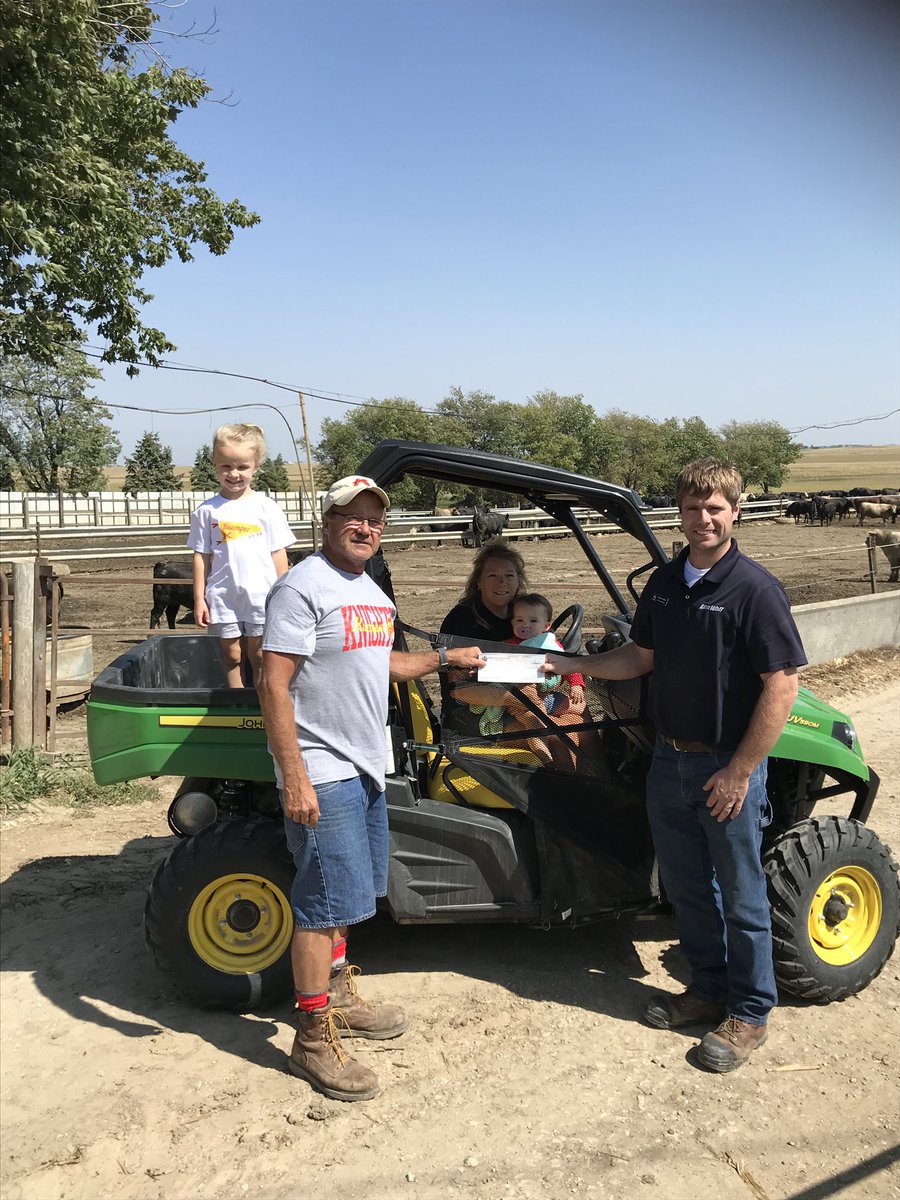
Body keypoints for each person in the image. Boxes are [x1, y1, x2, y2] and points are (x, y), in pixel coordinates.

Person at [545, 458, 806, 1072]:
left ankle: (750, 1012)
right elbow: (640, 658)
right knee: (687, 888)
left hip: (725, 767)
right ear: (680, 514)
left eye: (715, 508)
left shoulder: (755, 589)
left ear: (735, 511)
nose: (704, 518)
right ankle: (708, 989)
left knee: (741, 893)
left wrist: (741, 770)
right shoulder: (665, 583)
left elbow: (782, 685)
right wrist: (571, 665)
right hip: (669, 761)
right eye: (693, 508)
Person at [257, 475, 485, 1102]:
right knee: (321, 904)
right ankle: (311, 1037)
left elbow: (378, 663)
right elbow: (272, 683)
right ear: (326, 523)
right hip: (321, 767)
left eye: (374, 520)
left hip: (366, 762)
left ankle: (337, 994)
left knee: (349, 896)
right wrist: (295, 775)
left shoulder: (369, 592)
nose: (365, 528)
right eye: (352, 518)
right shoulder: (301, 587)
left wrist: (444, 659)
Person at [188, 423, 295, 687]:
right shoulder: (206, 511)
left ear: (256, 466)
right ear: (214, 463)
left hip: (262, 597)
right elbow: (201, 557)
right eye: (226, 466)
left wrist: (283, 595)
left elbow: (278, 554)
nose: (234, 474)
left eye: (242, 467)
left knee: (260, 656)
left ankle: (261, 703)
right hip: (224, 597)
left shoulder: (267, 508)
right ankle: (236, 701)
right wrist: (199, 599)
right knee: (231, 655)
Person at [440, 538, 528, 641]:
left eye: (509, 575)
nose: (502, 582)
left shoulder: (529, 613)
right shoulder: (460, 620)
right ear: (479, 581)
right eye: (493, 575)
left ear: (518, 580)